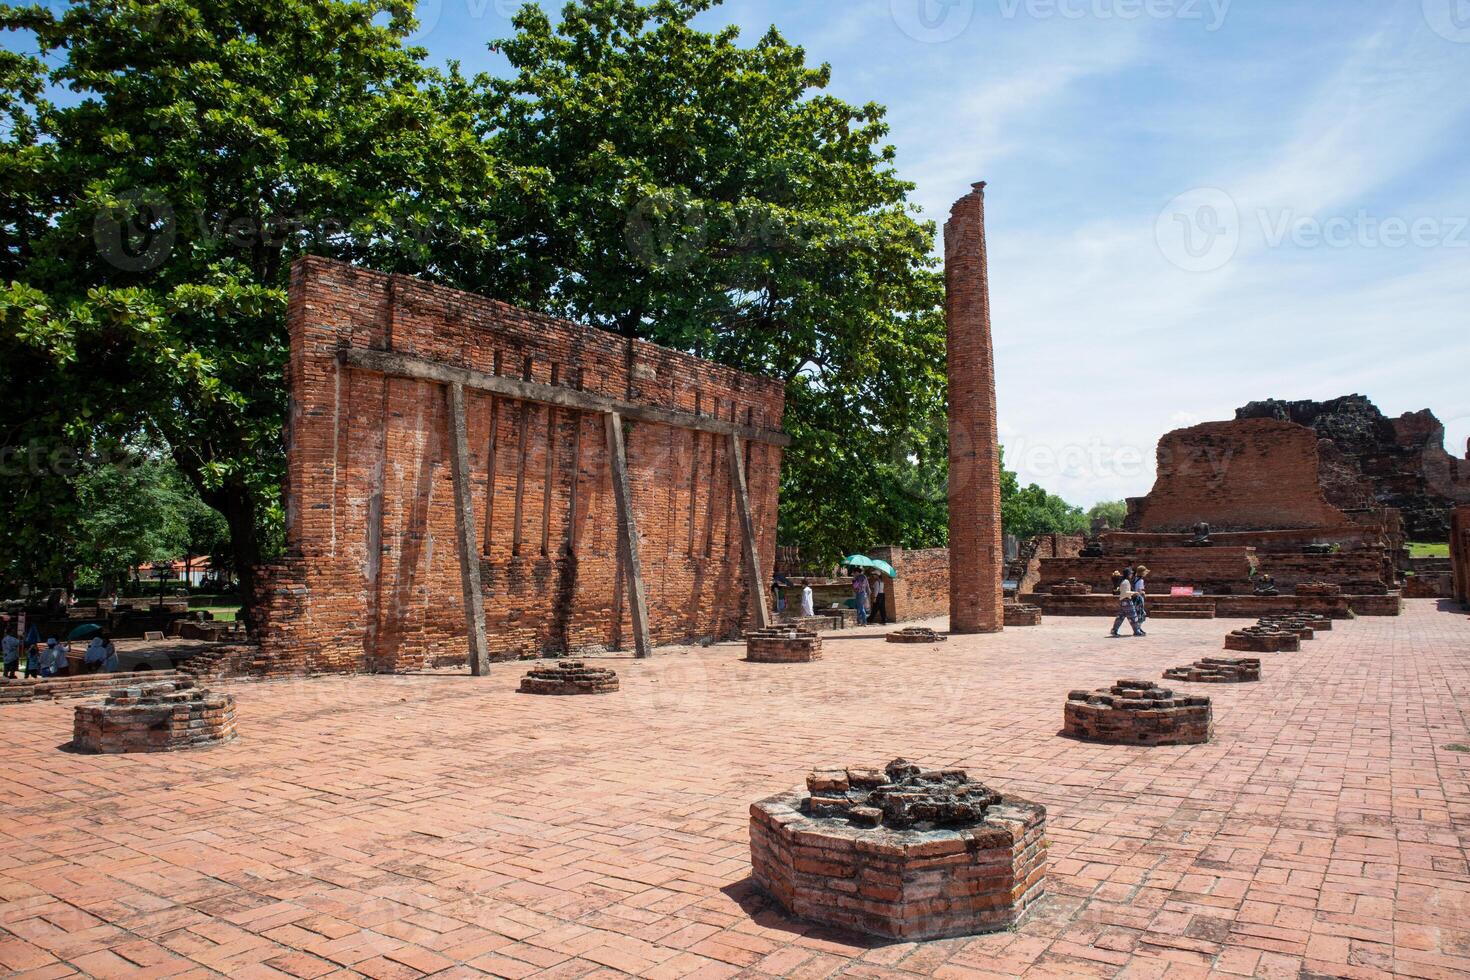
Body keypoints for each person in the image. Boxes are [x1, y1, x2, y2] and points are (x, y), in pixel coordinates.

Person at [1110, 567, 1145, 638]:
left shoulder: (1124, 581)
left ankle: (1114, 630)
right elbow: (1126, 592)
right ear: (1128, 574)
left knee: (1120, 617)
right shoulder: (1126, 582)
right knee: (1133, 616)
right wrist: (1134, 592)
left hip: (1123, 601)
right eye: (1131, 573)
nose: (1132, 575)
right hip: (1127, 601)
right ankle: (1137, 631)